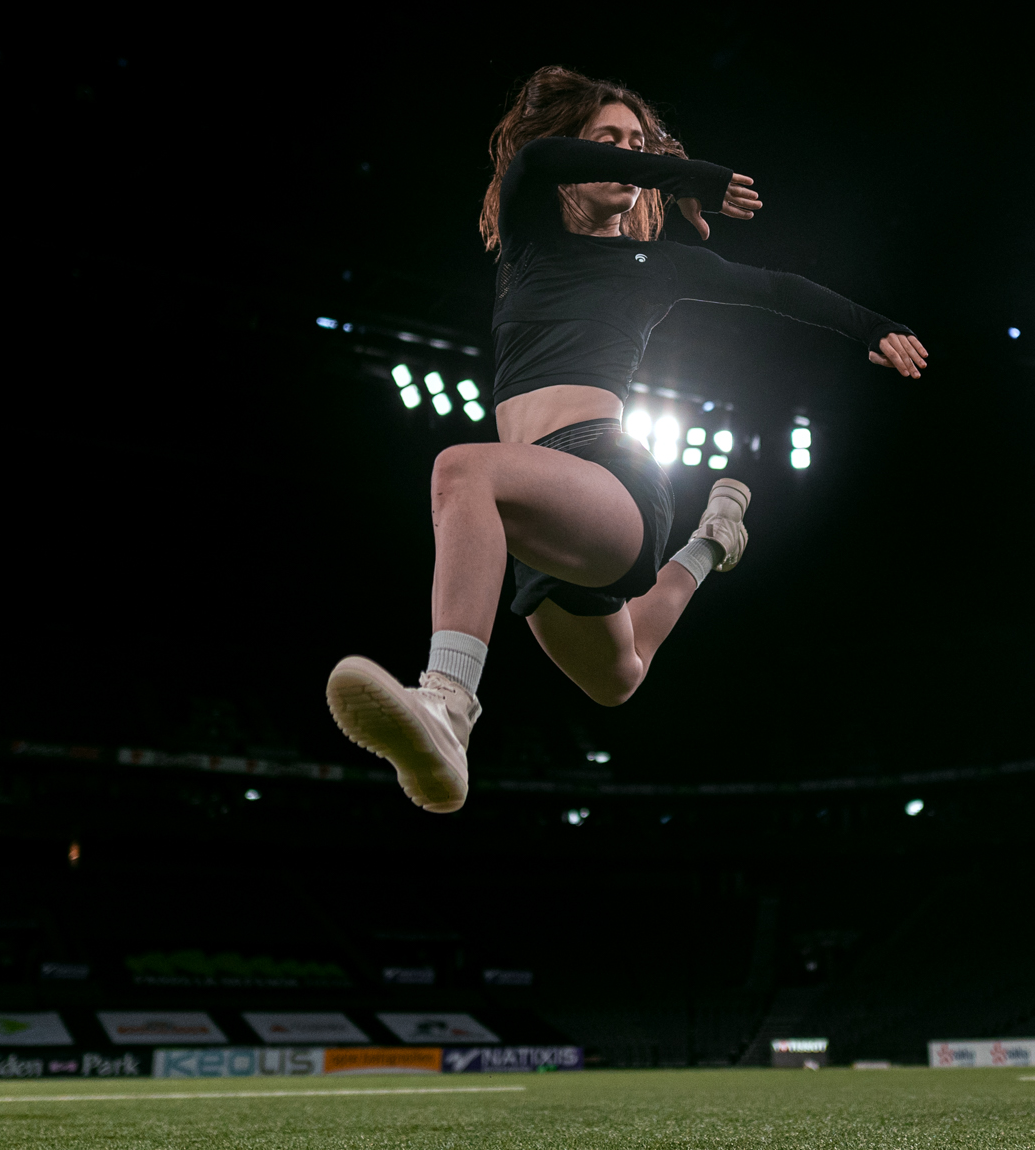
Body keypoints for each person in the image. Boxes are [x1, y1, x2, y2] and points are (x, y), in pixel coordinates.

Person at [325, 67, 929, 812]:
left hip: (609, 475)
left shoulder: (656, 265)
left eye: (636, 143)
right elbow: (538, 162)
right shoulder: (531, 235)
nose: (623, 151)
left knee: (459, 472)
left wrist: (874, 326)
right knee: (621, 673)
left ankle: (447, 705)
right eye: (606, 140)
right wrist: (681, 171)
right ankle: (715, 538)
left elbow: (774, 289)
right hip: (538, 506)